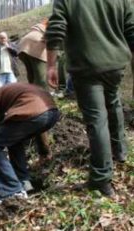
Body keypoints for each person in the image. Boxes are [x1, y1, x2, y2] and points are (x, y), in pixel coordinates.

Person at [45, 0, 134, 197]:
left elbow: (56, 27)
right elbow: (131, 29)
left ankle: (101, 179)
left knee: (96, 119)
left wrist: (51, 65)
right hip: (116, 63)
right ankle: (120, 152)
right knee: (113, 103)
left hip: (87, 65)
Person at [0, 83, 60, 204]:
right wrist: (44, 151)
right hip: (51, 113)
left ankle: (12, 192)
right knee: (14, 141)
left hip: (35, 112)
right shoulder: (13, 93)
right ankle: (23, 181)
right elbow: (39, 118)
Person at [18, 19, 48, 89]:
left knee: (31, 73)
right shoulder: (50, 25)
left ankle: (32, 93)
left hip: (22, 47)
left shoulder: (37, 28)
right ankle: (42, 95)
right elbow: (47, 37)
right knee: (40, 77)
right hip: (36, 44)